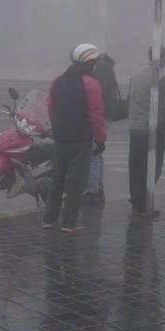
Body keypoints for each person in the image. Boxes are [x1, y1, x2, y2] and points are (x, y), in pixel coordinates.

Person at [44, 43, 107, 233]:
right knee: (76, 181)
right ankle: (68, 223)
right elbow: (96, 115)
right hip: (81, 140)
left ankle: (49, 219)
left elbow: (51, 108)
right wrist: (100, 139)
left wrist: (57, 128)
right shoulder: (91, 84)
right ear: (90, 62)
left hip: (60, 138)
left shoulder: (58, 81)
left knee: (57, 178)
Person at [126, 46, 165, 215]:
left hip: (135, 128)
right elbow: (164, 108)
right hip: (152, 130)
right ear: (161, 58)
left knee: (136, 166)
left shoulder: (135, 76)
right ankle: (144, 202)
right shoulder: (162, 78)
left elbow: (129, 100)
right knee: (153, 168)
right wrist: (164, 131)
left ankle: (136, 200)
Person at [84, 52, 124, 205]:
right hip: (105, 113)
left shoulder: (102, 67)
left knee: (93, 152)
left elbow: (98, 90)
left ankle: (93, 191)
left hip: (101, 113)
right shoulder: (106, 67)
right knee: (97, 152)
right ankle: (98, 189)